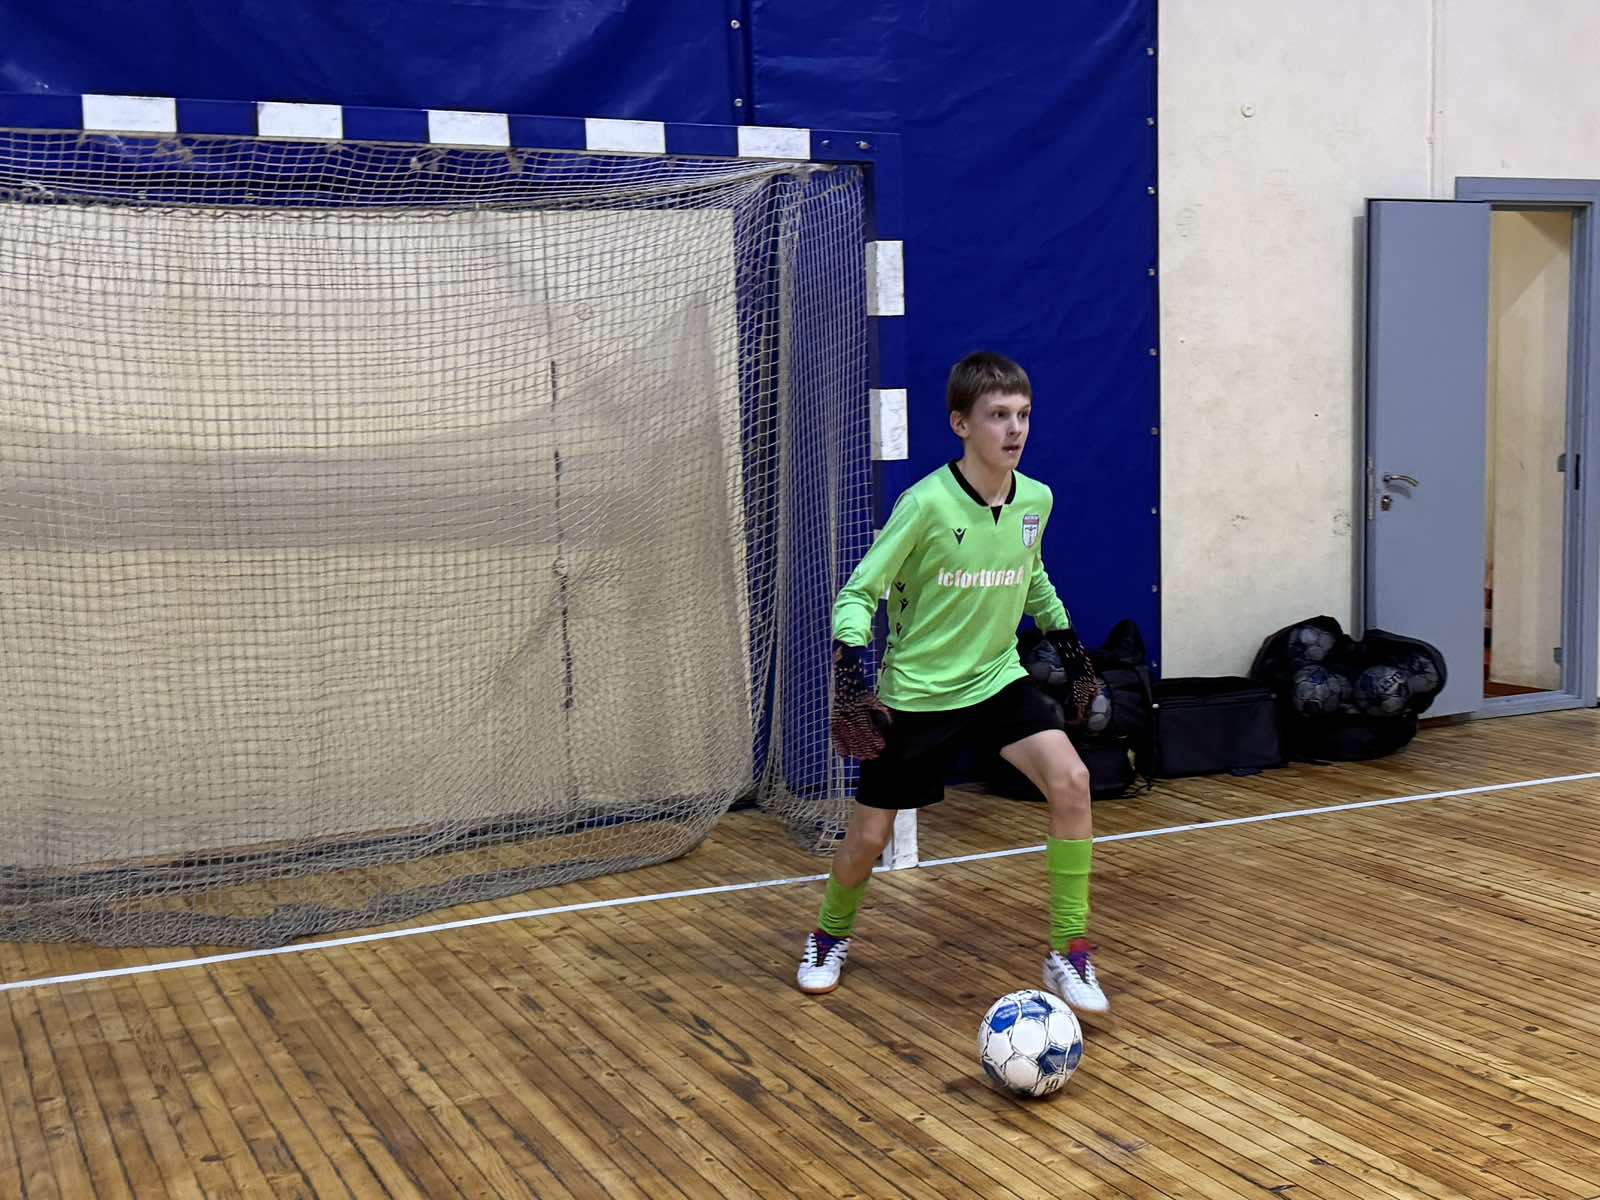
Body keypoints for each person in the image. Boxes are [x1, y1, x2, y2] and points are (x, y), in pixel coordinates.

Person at [796, 350, 1108, 1014]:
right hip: (919, 695)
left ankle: (1069, 950)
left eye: (1023, 414)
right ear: (961, 424)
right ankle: (828, 936)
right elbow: (859, 593)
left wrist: (1071, 650)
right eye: (998, 416)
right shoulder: (926, 504)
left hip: (997, 681)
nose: (1015, 429)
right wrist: (850, 672)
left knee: (1073, 781)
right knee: (869, 841)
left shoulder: (1036, 500)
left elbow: (1031, 575)